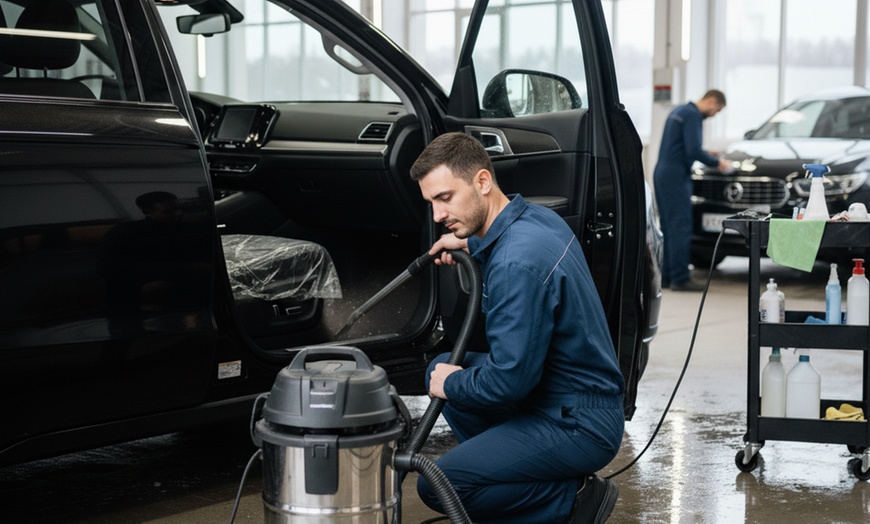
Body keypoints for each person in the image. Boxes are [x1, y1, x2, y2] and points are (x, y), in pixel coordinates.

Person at [409, 132, 625, 524]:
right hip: (566, 396)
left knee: (439, 484)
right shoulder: (536, 218)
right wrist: (468, 245)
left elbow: (508, 383)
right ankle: (512, 473)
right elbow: (510, 249)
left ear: (482, 182)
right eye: (432, 203)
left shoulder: (515, 264)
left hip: (577, 421)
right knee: (440, 365)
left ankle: (572, 499)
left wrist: (451, 385)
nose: (438, 215)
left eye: (445, 198)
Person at [653, 89, 730, 291]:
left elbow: (683, 145)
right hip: (676, 176)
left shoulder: (680, 110)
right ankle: (680, 278)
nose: (714, 115)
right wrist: (717, 162)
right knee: (680, 227)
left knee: (668, 229)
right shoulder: (693, 115)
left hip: (662, 172)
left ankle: (667, 277)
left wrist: (706, 152)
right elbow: (693, 150)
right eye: (717, 111)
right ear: (712, 101)